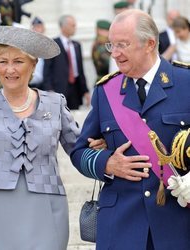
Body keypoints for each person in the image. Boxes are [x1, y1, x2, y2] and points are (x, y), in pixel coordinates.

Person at [0, 26, 105, 249]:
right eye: (2, 61)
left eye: (18, 61)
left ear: (33, 64)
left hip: (46, 206)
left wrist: (102, 151)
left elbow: (79, 149)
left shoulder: (55, 103)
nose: (10, 69)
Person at [71, 9, 190, 250]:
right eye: (111, 45)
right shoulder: (106, 91)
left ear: (150, 44)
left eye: (122, 45)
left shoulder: (186, 83)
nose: (114, 53)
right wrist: (107, 163)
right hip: (121, 225)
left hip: (177, 223)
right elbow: (79, 151)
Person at [43, 14, 90, 110]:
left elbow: (80, 70)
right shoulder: (52, 44)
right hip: (58, 89)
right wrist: (49, 90)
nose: (75, 28)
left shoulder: (77, 45)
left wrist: (85, 91)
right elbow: (47, 71)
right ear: (63, 27)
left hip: (75, 89)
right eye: (72, 25)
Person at [29, 17, 46, 90]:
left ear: (43, 29)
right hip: (28, 85)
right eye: (34, 27)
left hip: (44, 86)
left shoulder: (48, 46)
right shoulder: (27, 47)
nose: (36, 30)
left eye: (39, 27)